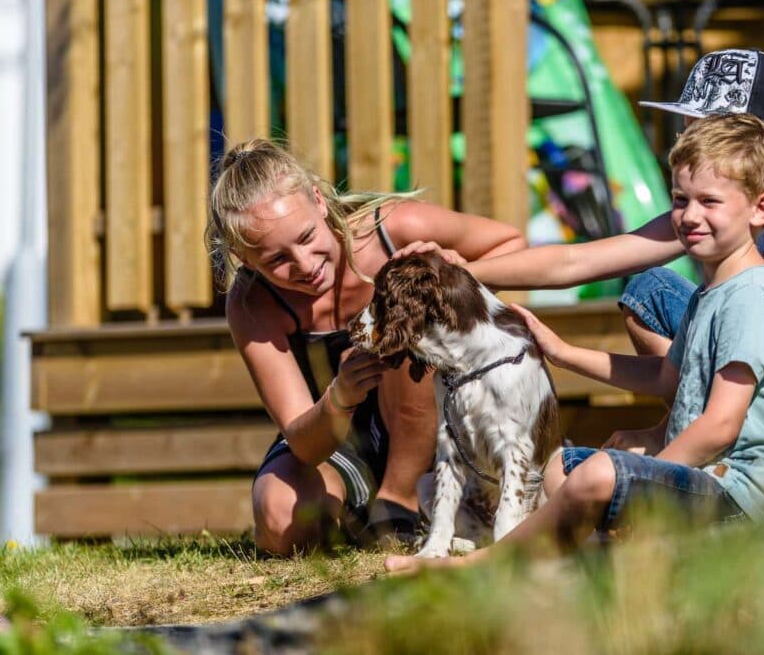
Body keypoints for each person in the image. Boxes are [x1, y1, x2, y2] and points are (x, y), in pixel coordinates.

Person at [397, 48, 764, 521]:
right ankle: (692, 445)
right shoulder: (714, 208)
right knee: (649, 290)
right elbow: (580, 261)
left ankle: (690, 455)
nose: (684, 130)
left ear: (747, 137)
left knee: (713, 317)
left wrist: (660, 442)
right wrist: (462, 269)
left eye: (698, 121)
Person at [386, 113, 764, 572]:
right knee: (560, 469)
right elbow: (665, 375)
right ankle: (598, 558)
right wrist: (564, 353)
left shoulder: (750, 298)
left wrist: (646, 483)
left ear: (760, 209)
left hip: (746, 499)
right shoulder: (713, 292)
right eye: (680, 199)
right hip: (706, 484)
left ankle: (485, 565)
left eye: (709, 201)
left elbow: (721, 426)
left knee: (604, 473)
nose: (689, 216)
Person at [207, 138, 526, 555]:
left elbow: (511, 243)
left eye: (306, 237)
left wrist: (452, 276)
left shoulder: (393, 231)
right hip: (341, 436)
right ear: (246, 260)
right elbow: (304, 441)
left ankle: (402, 498)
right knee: (280, 518)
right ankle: (367, 515)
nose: (305, 265)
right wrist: (340, 396)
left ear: (320, 202)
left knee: (403, 319)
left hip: (440, 416)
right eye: (276, 260)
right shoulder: (254, 302)